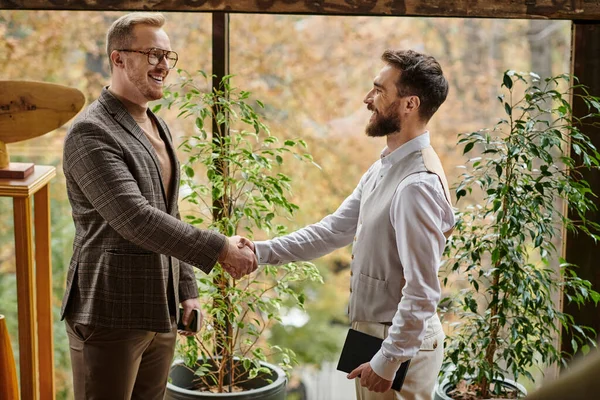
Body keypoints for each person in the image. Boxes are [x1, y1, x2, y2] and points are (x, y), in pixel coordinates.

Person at [60, 12, 256, 400]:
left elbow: (169, 212)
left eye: (168, 55)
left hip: (160, 308)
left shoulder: (156, 124)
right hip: (109, 311)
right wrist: (219, 247)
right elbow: (135, 218)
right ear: (118, 58)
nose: (164, 65)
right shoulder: (90, 132)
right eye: (152, 54)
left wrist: (186, 288)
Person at [240, 49, 454, 400]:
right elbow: (333, 230)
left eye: (379, 90)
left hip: (398, 344)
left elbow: (423, 291)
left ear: (409, 104)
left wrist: (387, 360)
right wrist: (259, 252)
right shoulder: (385, 166)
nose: (367, 99)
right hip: (375, 335)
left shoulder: (417, 185)